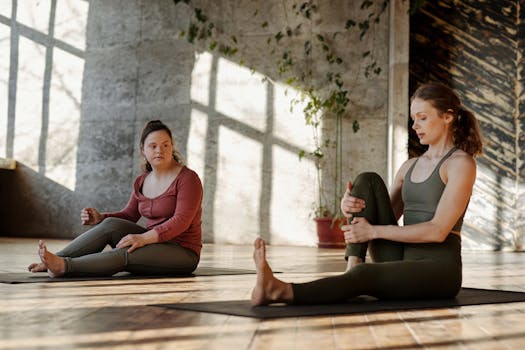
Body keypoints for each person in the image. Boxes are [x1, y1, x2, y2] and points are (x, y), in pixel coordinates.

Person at [251, 82, 483, 305]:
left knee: (366, 275)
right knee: (367, 180)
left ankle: (279, 290)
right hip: (401, 258)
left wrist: (371, 231)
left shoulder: (460, 163)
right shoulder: (409, 166)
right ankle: (352, 266)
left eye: (422, 118)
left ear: (448, 117)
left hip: (439, 270)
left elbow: (437, 231)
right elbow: (382, 213)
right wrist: (350, 207)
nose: (415, 126)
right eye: (413, 119)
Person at [28, 120, 203, 277]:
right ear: (143, 150)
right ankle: (54, 260)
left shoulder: (188, 179)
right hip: (153, 243)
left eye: (165, 145)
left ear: (172, 146)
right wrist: (101, 218)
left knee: (127, 253)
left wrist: (143, 239)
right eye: (153, 146)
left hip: (182, 253)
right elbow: (129, 215)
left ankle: (64, 266)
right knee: (111, 224)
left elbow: (181, 221)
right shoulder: (142, 180)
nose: (160, 150)